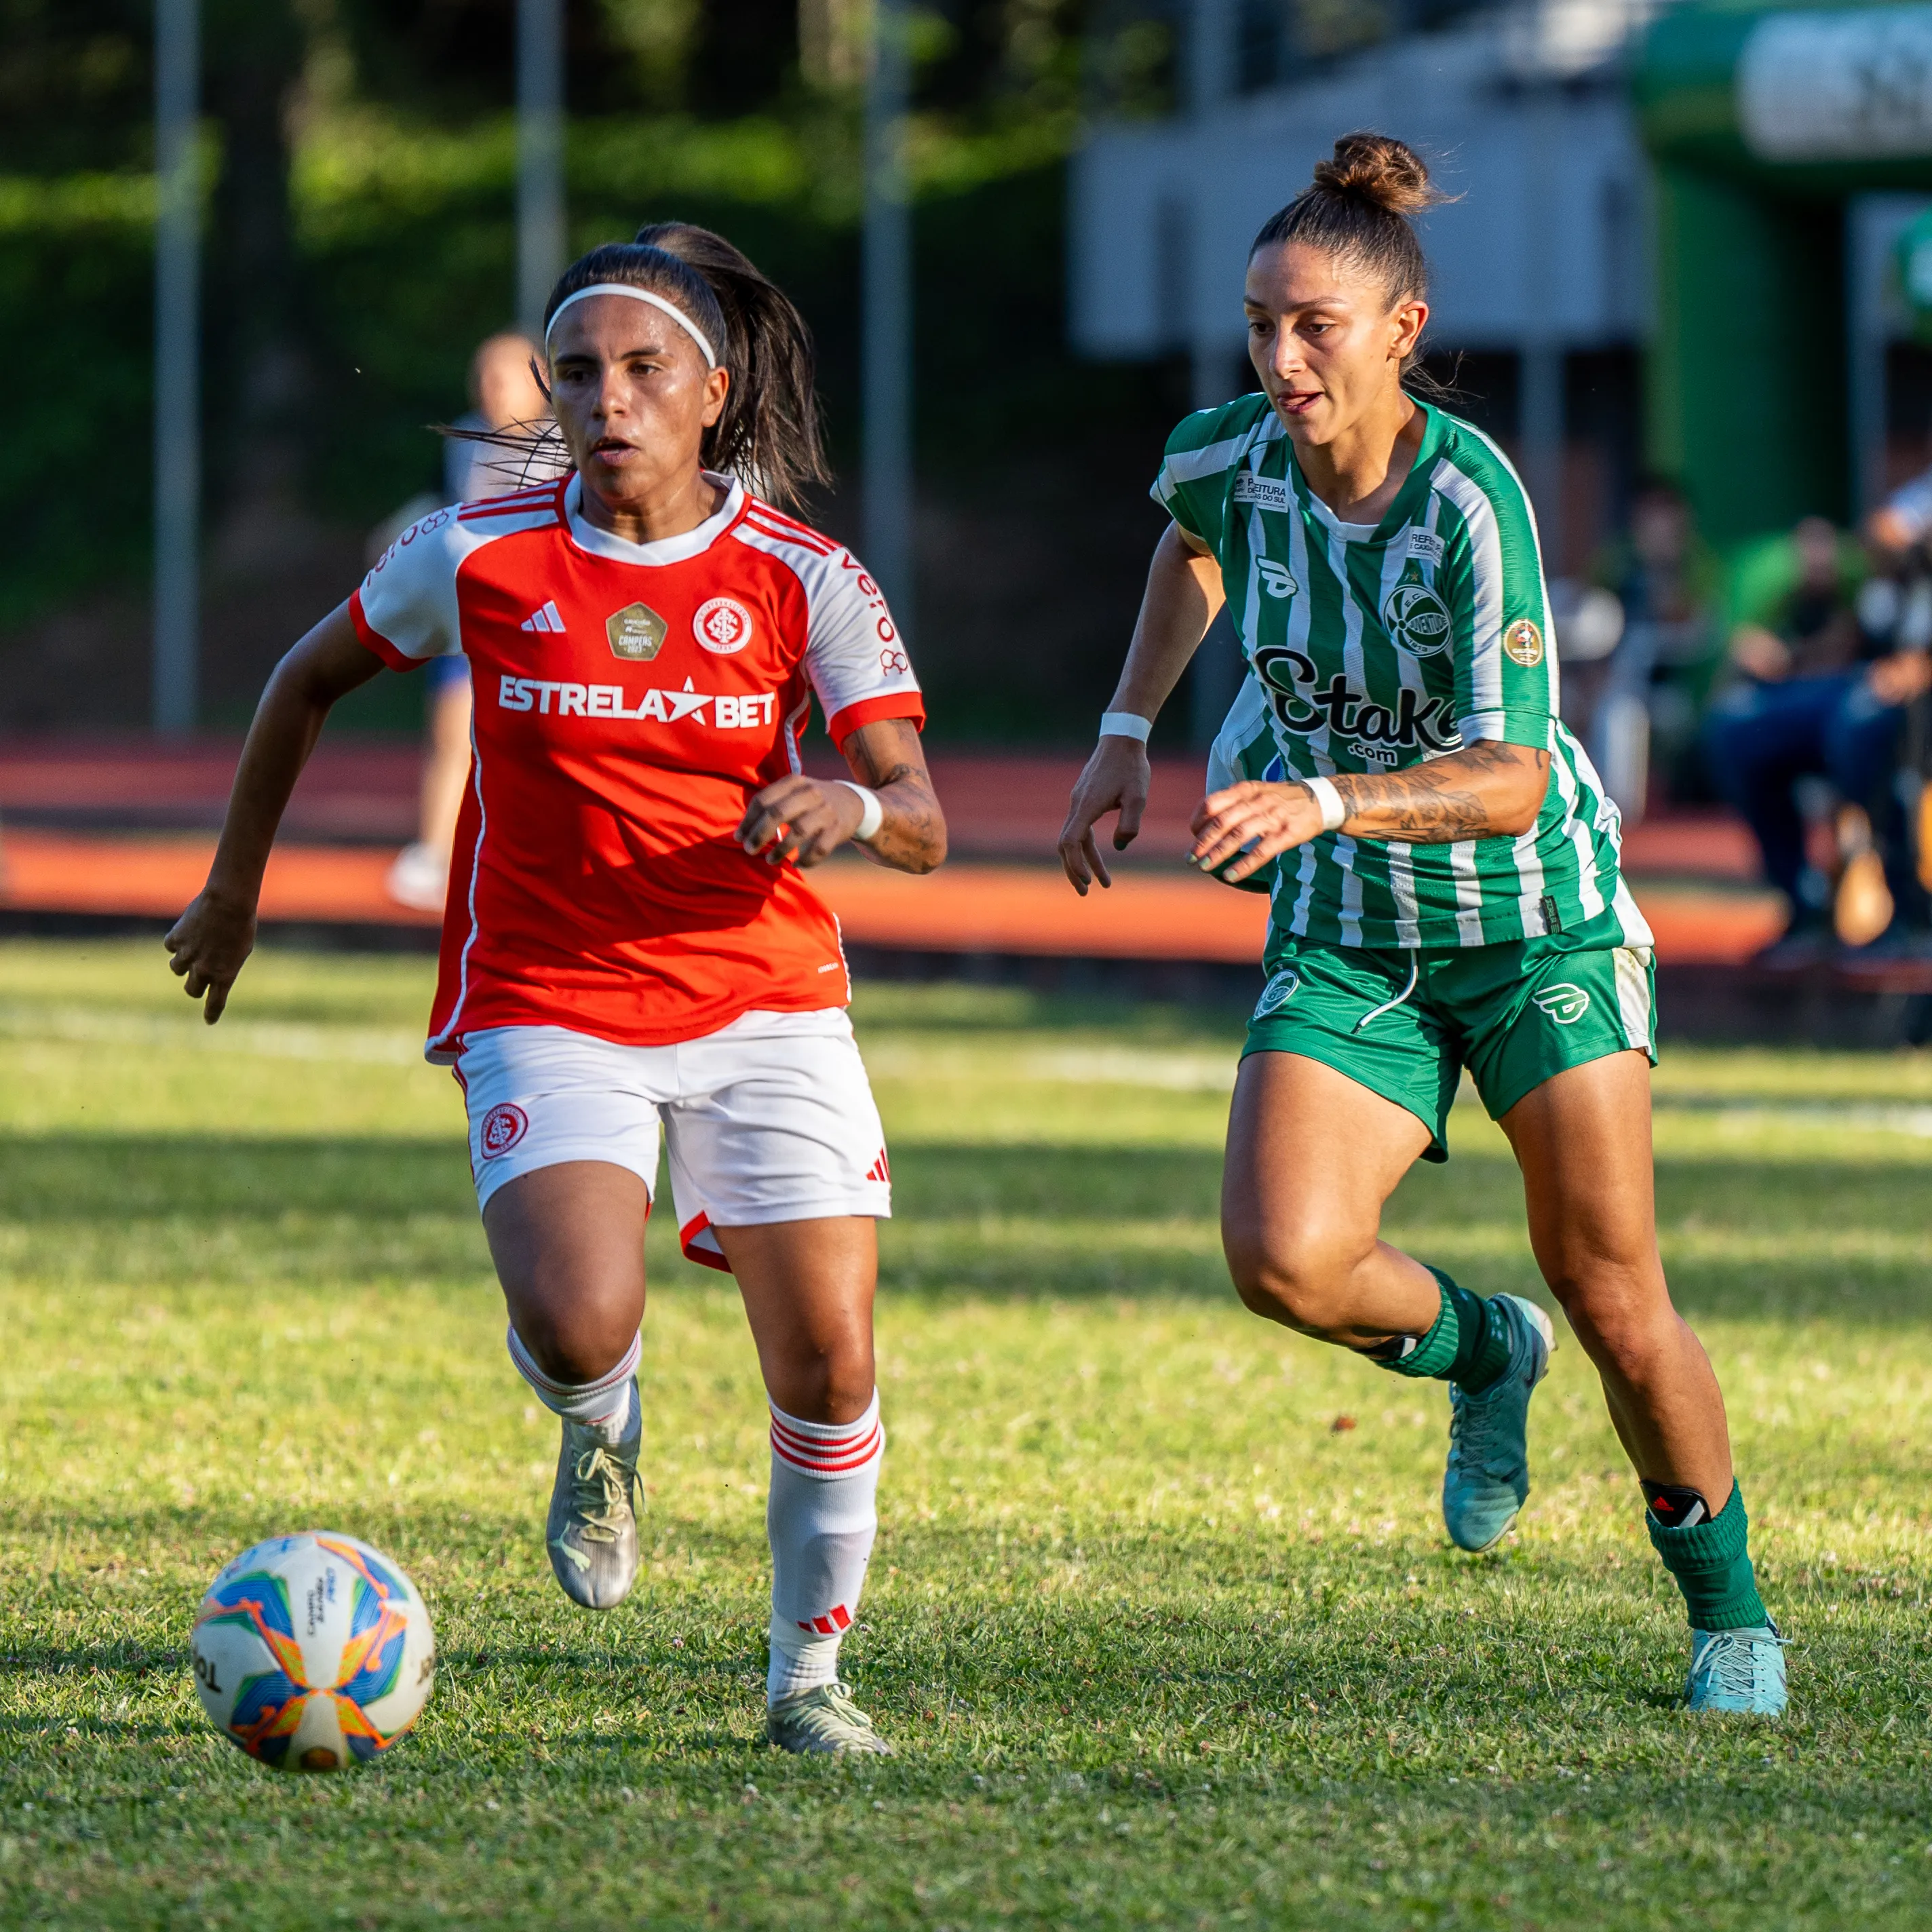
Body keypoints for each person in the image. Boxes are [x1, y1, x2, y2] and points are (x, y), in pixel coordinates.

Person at [164, 227, 946, 1757]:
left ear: (711, 392)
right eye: (575, 371)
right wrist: (232, 890)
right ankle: (600, 1425)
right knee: (582, 1317)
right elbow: (300, 681)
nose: (605, 398)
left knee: (831, 1358)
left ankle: (805, 1681)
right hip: (549, 988)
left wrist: (848, 811)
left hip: (766, 1000)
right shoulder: (480, 552)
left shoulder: (803, 579)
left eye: (642, 369)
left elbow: (916, 812)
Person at [1058, 132, 1784, 1714]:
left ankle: (1727, 1611)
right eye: (1259, 321)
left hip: (1533, 922)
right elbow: (1187, 536)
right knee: (1282, 1256)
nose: (1277, 354)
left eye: (1313, 323)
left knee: (1610, 1285)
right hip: (1349, 927)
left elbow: (1512, 776)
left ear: (1400, 328)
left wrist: (1316, 798)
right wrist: (1124, 724)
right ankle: (1479, 1352)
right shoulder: (1230, 450)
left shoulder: (1469, 500)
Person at [1702, 514, 1932, 961]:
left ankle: (1910, 912)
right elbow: (1882, 543)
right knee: (1737, 726)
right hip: (1860, 684)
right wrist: (1784, 658)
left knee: (1863, 726)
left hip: (1902, 701)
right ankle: (1803, 903)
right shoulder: (1893, 572)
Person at [387, 332, 555, 912]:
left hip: (543, 622)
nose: (490, 387)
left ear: (540, 386)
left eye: (504, 375)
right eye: (482, 375)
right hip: (470, 615)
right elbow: (438, 509)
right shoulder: (461, 438)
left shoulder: (568, 446)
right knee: (451, 734)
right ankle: (435, 857)